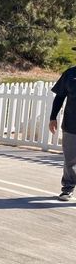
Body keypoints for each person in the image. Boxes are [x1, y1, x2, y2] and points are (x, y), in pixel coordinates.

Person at [49, 65, 76, 201]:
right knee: (70, 159)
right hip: (71, 124)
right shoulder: (70, 74)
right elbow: (60, 96)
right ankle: (68, 188)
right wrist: (53, 117)